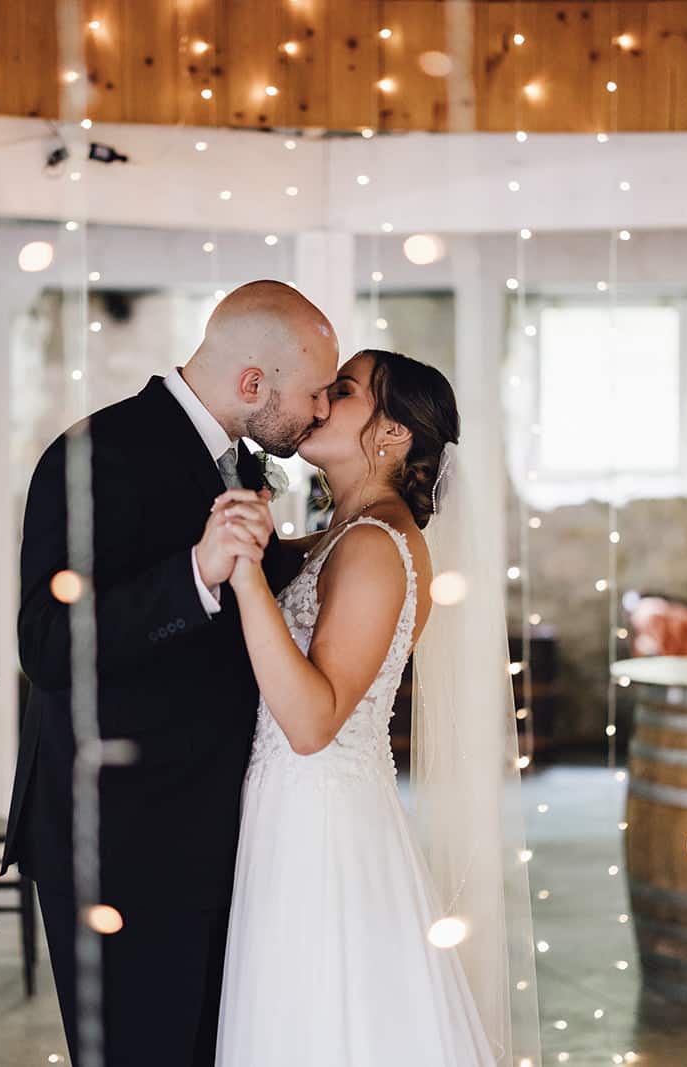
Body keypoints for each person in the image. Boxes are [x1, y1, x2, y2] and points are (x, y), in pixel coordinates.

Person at [1, 281, 339, 1066]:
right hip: (119, 838)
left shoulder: (238, 464)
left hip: (214, 827)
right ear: (252, 384)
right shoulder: (93, 455)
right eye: (315, 394)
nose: (321, 411)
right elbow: (46, 643)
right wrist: (193, 570)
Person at [211, 350, 539, 1065]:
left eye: (346, 390)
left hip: (320, 823)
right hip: (295, 811)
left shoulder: (375, 547)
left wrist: (243, 578)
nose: (322, 400)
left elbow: (312, 721)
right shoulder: (342, 535)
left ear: (392, 434)